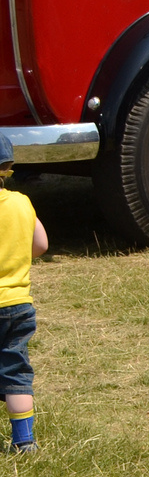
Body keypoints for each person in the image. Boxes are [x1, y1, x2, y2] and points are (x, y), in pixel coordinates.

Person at [0, 134, 51, 455]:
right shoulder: (21, 203)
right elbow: (41, 245)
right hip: (18, 305)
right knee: (16, 373)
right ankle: (24, 441)